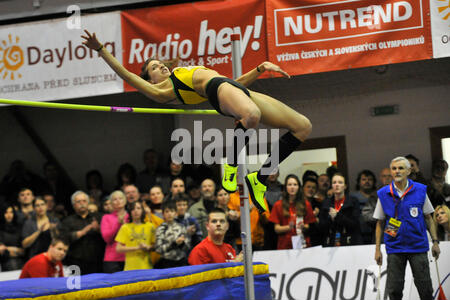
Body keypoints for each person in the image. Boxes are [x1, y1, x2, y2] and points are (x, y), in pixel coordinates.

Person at [81, 30, 312, 216]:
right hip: (218, 90)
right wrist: (101, 50)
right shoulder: (161, 90)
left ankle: (259, 178)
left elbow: (232, 84)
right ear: (150, 80)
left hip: (230, 87)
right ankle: (230, 166)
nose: (160, 66)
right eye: (154, 68)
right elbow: (126, 75)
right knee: (251, 116)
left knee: (303, 126)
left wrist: (260, 68)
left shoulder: (180, 74)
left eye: (160, 63)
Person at [373, 156, 440, 300]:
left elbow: (429, 217)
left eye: (401, 168)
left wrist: (435, 241)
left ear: (408, 171)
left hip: (418, 246)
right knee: (394, 290)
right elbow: (379, 223)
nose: (397, 171)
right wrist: (377, 249)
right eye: (394, 168)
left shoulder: (420, 190)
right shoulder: (383, 193)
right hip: (395, 247)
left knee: (425, 289)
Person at [59, 191, 105, 275]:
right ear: (73, 205)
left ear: (88, 203)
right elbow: (63, 238)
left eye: (84, 201)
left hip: (98, 261)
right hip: (75, 262)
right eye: (78, 202)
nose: (82, 204)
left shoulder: (99, 217)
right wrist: (82, 232)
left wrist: (98, 229)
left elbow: (108, 236)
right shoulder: (67, 221)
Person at [269, 174, 318, 249]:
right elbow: (276, 229)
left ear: (299, 187)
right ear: (285, 187)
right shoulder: (278, 205)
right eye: (289, 184)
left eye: (295, 184)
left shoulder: (306, 204)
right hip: (284, 245)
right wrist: (289, 227)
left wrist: (303, 226)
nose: (292, 187)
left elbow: (309, 225)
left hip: (302, 244)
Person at [318, 173, 362, 247]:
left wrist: (338, 216)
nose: (337, 185)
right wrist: (330, 218)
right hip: (331, 242)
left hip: (349, 241)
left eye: (340, 182)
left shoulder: (353, 201)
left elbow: (355, 223)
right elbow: (321, 226)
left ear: (345, 186)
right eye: (334, 182)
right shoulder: (326, 203)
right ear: (331, 186)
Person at [115, 201, 156, 271]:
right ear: (130, 212)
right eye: (133, 209)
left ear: (142, 211)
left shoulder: (150, 226)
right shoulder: (125, 227)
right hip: (130, 268)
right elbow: (118, 248)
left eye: (138, 208)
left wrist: (148, 247)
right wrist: (137, 248)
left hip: (147, 267)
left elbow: (155, 246)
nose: (136, 211)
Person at [154, 200, 190, 268]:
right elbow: (158, 249)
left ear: (176, 213)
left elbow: (188, 247)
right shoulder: (160, 229)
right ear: (163, 214)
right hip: (166, 262)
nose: (169, 214)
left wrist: (181, 244)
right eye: (167, 211)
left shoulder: (181, 227)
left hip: (181, 261)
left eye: (172, 211)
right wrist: (174, 244)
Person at [22, 196, 60, 261]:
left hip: (52, 257)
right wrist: (39, 231)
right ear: (34, 208)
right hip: (35, 257)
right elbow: (24, 244)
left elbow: (60, 241)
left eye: (42, 204)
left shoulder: (54, 220)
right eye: (37, 205)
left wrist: (53, 230)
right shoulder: (29, 223)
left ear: (46, 206)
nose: (40, 207)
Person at [100, 190, 129, 273]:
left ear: (125, 200)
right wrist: (118, 224)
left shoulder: (131, 216)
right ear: (111, 203)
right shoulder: (106, 217)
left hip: (130, 256)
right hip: (112, 259)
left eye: (120, 198)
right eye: (115, 199)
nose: (118, 201)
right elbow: (107, 238)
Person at [351, 170, 377, 244]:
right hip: (358, 233)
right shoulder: (352, 197)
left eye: (370, 179)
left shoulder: (378, 195)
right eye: (364, 179)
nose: (367, 182)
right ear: (359, 182)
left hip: (376, 231)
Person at [0, 203, 25, 271]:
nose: (9, 215)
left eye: (11, 212)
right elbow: (2, 250)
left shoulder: (19, 227)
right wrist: (15, 250)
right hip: (5, 261)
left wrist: (11, 249)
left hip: (21, 260)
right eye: (6, 213)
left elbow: (23, 250)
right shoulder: (1, 230)